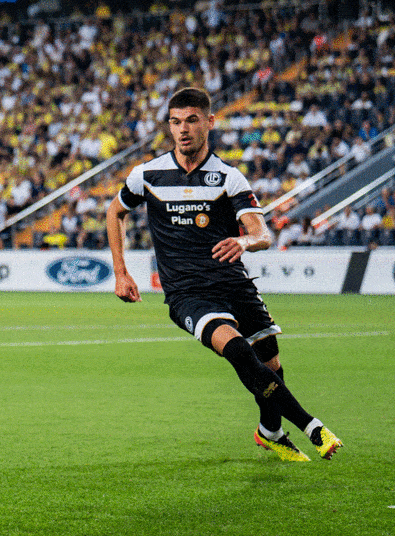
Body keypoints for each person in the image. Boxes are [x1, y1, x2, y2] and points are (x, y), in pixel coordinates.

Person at [105, 87, 343, 463]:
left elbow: (262, 234)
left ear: (210, 122)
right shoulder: (147, 175)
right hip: (188, 293)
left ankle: (270, 432)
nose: (183, 129)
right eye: (175, 122)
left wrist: (244, 241)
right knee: (239, 352)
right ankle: (312, 427)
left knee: (271, 366)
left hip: (235, 285)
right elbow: (114, 211)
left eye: (191, 120)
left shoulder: (228, 178)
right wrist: (121, 273)